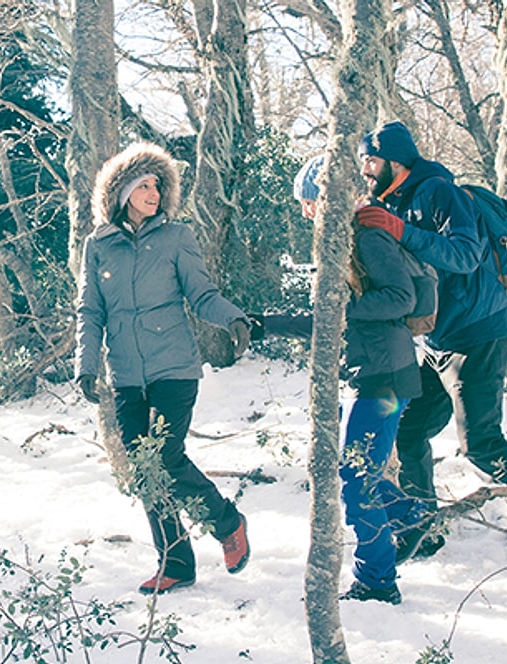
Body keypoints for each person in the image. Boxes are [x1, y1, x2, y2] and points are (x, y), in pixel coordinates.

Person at [354, 121, 507, 565]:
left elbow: (465, 256)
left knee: (482, 445)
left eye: (371, 161)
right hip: (439, 340)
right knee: (410, 431)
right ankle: (422, 528)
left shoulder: (438, 192)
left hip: (477, 333)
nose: (365, 170)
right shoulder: (395, 201)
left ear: (396, 160)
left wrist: (399, 229)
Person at [74, 142, 253, 595]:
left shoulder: (177, 238)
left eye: (158, 186)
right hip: (126, 373)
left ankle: (227, 523)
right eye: (144, 186)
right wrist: (86, 365)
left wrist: (233, 318)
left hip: (174, 367)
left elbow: (202, 294)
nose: (153, 193)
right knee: (144, 469)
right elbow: (90, 311)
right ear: (123, 192)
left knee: (166, 457)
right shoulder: (99, 245)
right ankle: (175, 564)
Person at [255, 155, 427, 604]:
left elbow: (401, 297)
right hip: (373, 374)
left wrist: (343, 311)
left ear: (324, 198)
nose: (304, 211)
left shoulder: (367, 237)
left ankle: (377, 581)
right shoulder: (342, 243)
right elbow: (325, 320)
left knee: (357, 481)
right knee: (356, 472)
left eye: (307, 201)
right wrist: (265, 325)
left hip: (386, 377)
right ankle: (411, 516)